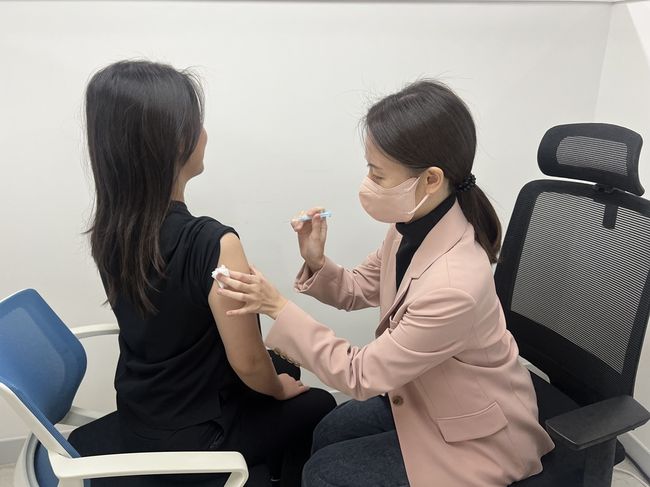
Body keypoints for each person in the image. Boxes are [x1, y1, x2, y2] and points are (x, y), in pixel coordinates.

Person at [217, 80, 555, 487]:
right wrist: (317, 262)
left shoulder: (455, 285)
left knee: (323, 474)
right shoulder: (411, 226)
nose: (368, 184)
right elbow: (359, 288)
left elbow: (360, 374)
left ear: (431, 179)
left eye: (377, 174)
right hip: (423, 394)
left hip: (477, 437)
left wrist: (276, 307)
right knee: (326, 432)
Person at [69, 60, 336, 487]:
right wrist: (279, 388)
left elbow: (174, 315)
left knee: (283, 365)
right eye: (197, 124)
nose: (205, 134)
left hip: (142, 412)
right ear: (174, 142)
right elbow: (249, 363)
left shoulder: (112, 229)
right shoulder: (214, 243)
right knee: (316, 403)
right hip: (196, 437)